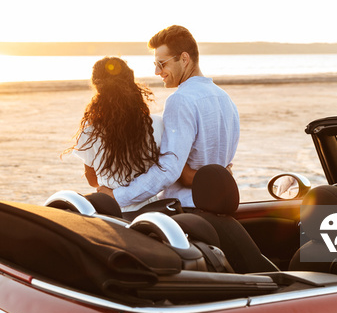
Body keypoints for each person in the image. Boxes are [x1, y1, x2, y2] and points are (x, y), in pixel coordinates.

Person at [98, 25, 240, 208]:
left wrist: (118, 197)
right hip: (217, 203)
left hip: (186, 209)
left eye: (162, 64)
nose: (157, 72)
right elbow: (225, 165)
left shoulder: (181, 99)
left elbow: (169, 169)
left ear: (184, 59)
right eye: (155, 65)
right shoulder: (225, 98)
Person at [63, 56, 164, 212]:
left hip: (111, 210)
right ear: (131, 82)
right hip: (149, 211)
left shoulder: (90, 131)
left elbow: (92, 181)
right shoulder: (157, 125)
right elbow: (163, 172)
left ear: (98, 88)